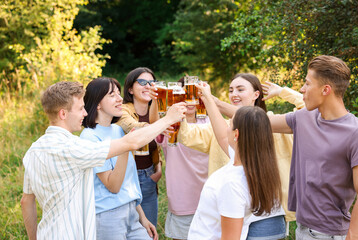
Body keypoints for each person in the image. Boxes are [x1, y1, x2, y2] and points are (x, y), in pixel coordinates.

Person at [20, 81, 186, 239]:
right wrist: (169, 119)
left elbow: (26, 201)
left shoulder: (33, 151)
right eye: (80, 109)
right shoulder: (75, 148)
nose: (85, 113)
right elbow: (131, 143)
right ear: (63, 113)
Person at [178, 73, 304, 236]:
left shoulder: (272, 123)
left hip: (265, 219)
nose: (234, 94)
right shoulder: (227, 127)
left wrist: (283, 92)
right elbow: (193, 135)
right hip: (232, 215)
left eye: (240, 89)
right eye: (231, 90)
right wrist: (177, 110)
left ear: (256, 95)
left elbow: (310, 114)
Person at [269, 55, 358, 239]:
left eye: (307, 83)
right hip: (302, 229)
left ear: (326, 89)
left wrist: (353, 236)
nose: (302, 89)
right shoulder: (304, 118)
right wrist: (213, 102)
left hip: (328, 234)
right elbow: (259, 121)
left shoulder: (355, 132)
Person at [187, 94, 282, 240]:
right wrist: (207, 98)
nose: (226, 127)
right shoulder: (252, 165)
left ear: (236, 134)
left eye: (229, 124)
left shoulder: (232, 185)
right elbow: (223, 136)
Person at [80, 77, 157, 240]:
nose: (120, 98)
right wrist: (126, 146)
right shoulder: (89, 137)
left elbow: (127, 185)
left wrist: (142, 218)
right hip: (108, 217)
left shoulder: (118, 130)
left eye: (118, 93)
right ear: (98, 103)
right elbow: (113, 186)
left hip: (132, 213)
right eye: (112, 94)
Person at [150, 77, 210, 240]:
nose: (189, 101)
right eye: (183, 96)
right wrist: (156, 100)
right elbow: (154, 124)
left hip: (209, 198)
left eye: (192, 95)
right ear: (175, 98)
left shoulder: (209, 121)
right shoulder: (170, 125)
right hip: (181, 199)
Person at [117, 67, 161, 227]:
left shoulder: (155, 110)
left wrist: (158, 167)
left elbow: (159, 141)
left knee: (150, 230)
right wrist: (165, 122)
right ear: (130, 88)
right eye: (142, 82)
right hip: (126, 178)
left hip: (149, 176)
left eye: (152, 82)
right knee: (128, 231)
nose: (148, 86)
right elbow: (133, 128)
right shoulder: (121, 110)